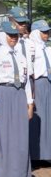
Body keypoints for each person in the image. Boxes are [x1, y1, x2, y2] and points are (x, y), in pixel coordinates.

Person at [0, 21, 33, 177]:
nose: (13, 38)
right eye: (10, 35)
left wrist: (29, 102)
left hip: (18, 95)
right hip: (2, 94)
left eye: (15, 35)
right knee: (2, 137)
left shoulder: (21, 56)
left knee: (18, 138)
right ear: (2, 36)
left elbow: (26, 81)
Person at [30, 20, 51, 164]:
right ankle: (36, 154)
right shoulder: (31, 48)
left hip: (48, 83)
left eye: (47, 31)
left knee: (48, 119)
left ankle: (46, 153)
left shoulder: (47, 48)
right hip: (37, 83)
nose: (47, 34)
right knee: (38, 119)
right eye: (43, 32)